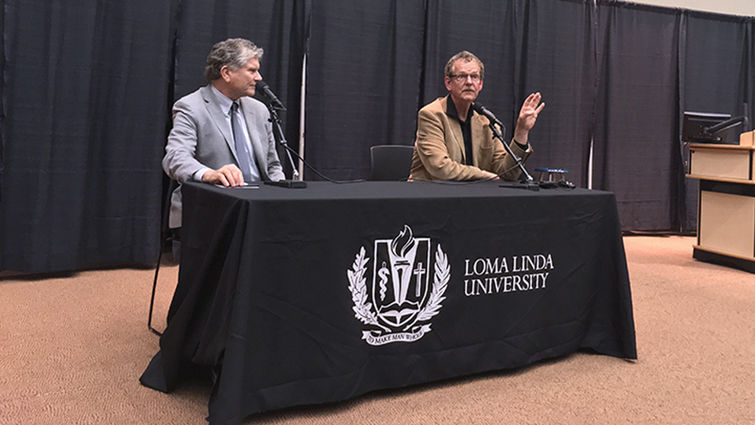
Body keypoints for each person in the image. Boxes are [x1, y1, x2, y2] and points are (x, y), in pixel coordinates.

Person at [162, 38, 285, 231]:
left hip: (259, 209)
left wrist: (283, 198)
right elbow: (175, 158)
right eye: (251, 70)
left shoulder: (259, 110)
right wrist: (209, 174)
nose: (259, 77)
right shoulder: (191, 107)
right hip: (211, 212)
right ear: (226, 73)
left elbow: (272, 165)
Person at [409, 51, 545, 181]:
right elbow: (440, 168)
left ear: (480, 84)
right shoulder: (431, 115)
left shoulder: (486, 121)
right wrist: (484, 175)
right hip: (430, 196)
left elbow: (508, 173)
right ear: (448, 83)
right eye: (461, 76)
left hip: (471, 197)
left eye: (474, 77)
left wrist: (521, 131)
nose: (469, 82)